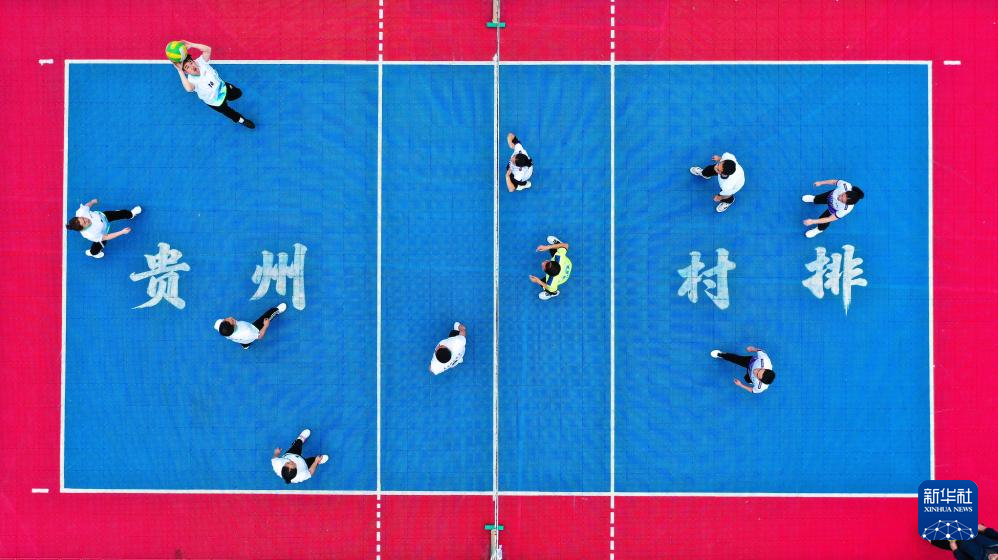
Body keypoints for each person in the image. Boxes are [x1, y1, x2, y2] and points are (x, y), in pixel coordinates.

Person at [172, 40, 255, 128]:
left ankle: (230, 95)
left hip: (223, 88)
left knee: (238, 93)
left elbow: (208, 50)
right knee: (229, 112)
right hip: (214, 101)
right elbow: (189, 89)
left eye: (191, 63)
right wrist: (180, 71)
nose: (192, 67)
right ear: (186, 72)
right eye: (187, 67)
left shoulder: (201, 62)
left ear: (194, 61)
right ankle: (242, 120)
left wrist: (192, 45)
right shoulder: (191, 81)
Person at [65, 198, 142, 259]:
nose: (86, 220)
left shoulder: (81, 212)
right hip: (103, 233)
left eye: (83, 218)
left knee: (120, 213)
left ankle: (131, 214)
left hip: (104, 216)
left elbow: (87, 206)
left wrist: (92, 202)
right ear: (83, 229)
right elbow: (107, 237)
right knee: (99, 246)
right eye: (84, 223)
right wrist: (121, 232)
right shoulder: (91, 234)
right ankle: (93, 253)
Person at [214, 303, 287, 349]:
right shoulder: (247, 332)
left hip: (242, 340)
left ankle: (245, 346)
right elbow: (259, 337)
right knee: (268, 314)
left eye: (226, 319)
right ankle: (277, 310)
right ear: (233, 327)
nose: (231, 317)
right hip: (254, 328)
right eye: (233, 320)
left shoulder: (223, 330)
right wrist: (265, 326)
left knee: (244, 342)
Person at [710, 345, 775, 394]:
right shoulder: (765, 360)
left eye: (757, 374)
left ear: (760, 380)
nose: (755, 370)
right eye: (759, 369)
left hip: (750, 375)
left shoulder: (760, 387)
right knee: (736, 359)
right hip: (750, 362)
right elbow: (760, 351)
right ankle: (721, 354)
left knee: (746, 379)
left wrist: (741, 385)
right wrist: (752, 349)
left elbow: (752, 390)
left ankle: (750, 380)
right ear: (764, 368)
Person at [529, 236, 571, 300]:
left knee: (546, 287)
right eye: (547, 262)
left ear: (547, 273)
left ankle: (553, 294)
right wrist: (547, 247)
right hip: (567, 264)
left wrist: (538, 281)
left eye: (543, 266)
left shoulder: (551, 282)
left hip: (561, 280)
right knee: (553, 248)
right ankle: (558, 244)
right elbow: (566, 245)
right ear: (554, 262)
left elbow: (551, 289)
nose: (542, 263)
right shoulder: (559, 256)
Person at [933, 523, 998, 559]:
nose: (993, 558)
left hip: (957, 543)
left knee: (933, 538)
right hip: (969, 531)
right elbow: (993, 534)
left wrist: (955, 549)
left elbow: (962, 558)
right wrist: (984, 529)